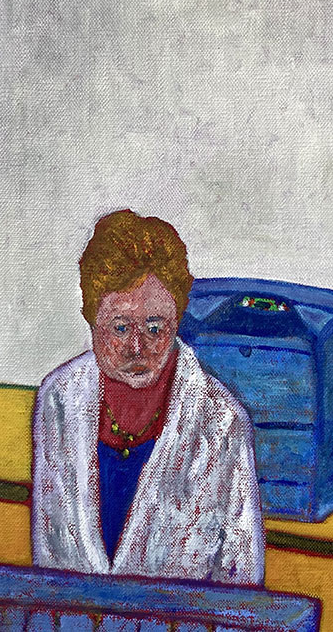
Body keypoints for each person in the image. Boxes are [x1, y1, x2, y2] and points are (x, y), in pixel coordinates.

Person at [31, 210, 265, 585]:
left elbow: (241, 582)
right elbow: (49, 560)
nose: (137, 348)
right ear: (91, 317)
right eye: (120, 328)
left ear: (177, 321)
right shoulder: (59, 400)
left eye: (155, 328)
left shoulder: (221, 423)